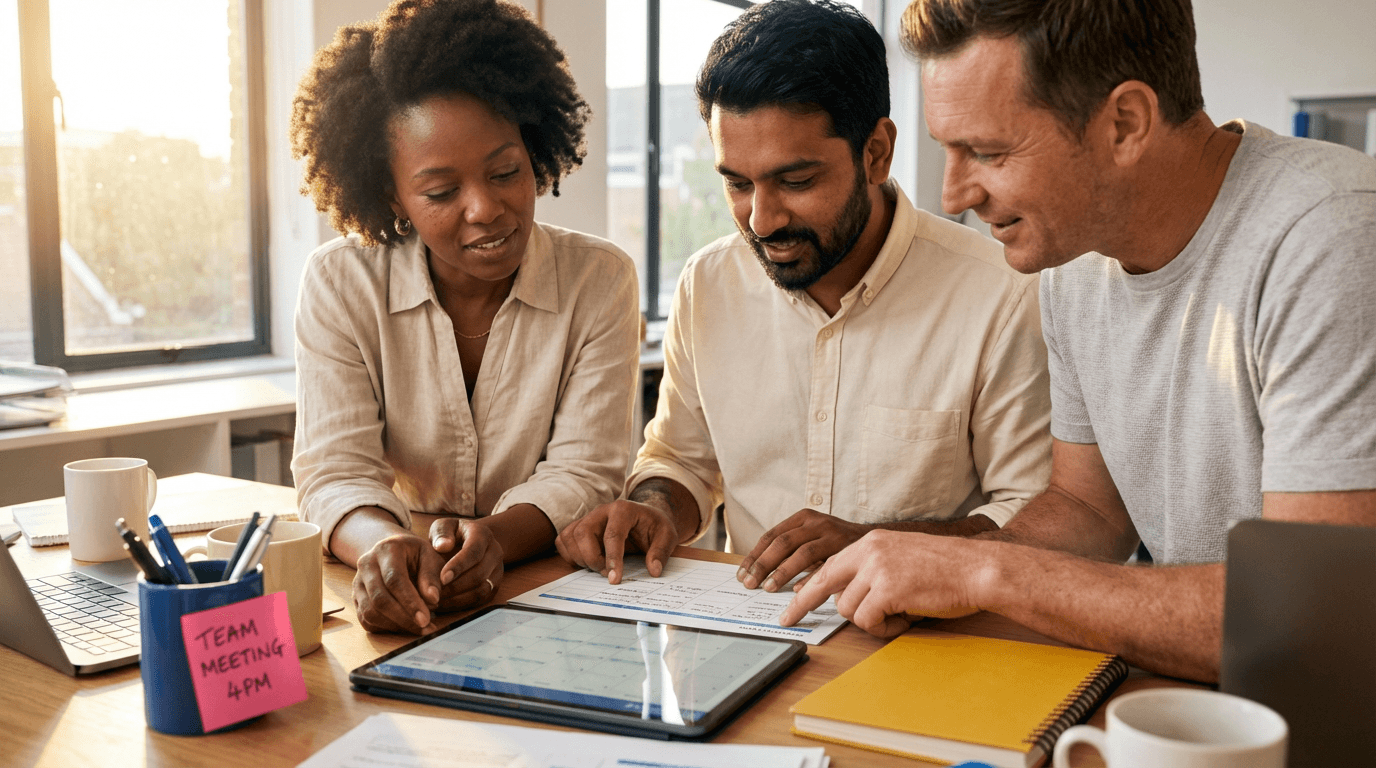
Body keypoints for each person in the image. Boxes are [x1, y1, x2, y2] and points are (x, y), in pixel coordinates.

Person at [784, 0, 1376, 682]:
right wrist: (943, 574)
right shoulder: (1074, 264)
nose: (952, 195)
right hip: (1207, 704)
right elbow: (1088, 509)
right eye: (949, 148)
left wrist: (986, 571)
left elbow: (1314, 618)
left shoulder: (1332, 239)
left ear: (1125, 123)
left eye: (988, 152)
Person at [557, 0, 1051, 592]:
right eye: (738, 184)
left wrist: (877, 545)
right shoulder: (707, 284)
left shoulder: (1002, 295)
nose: (762, 220)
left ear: (876, 153)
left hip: (923, 633)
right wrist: (655, 508)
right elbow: (680, 461)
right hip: (748, 626)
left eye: (795, 181)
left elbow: (1033, 515)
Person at [288, 0, 639, 635]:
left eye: (505, 172)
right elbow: (335, 471)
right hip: (408, 588)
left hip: (548, 595)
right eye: (441, 192)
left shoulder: (599, 279)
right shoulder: (341, 282)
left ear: (535, 152)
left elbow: (586, 471)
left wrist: (495, 539)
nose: (484, 209)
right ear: (394, 196)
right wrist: (380, 546)